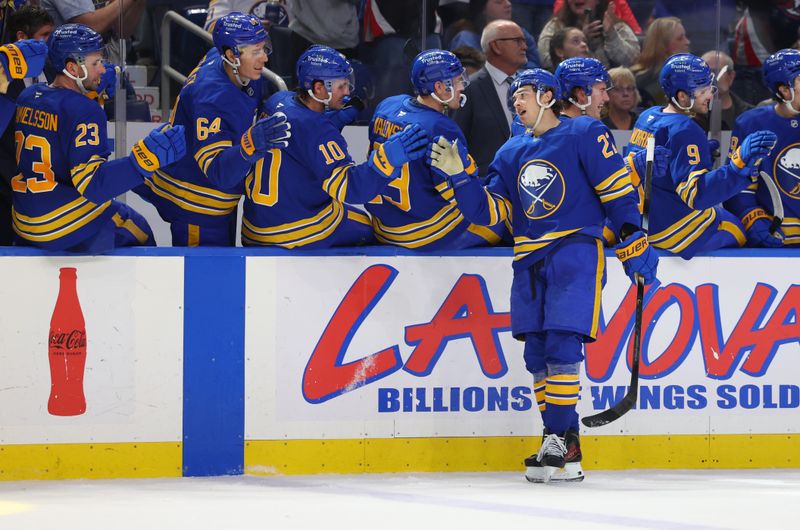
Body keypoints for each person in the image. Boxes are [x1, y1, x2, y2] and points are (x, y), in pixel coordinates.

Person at [428, 68, 658, 483]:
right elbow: (491, 214)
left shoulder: (585, 132)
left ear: (549, 96)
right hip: (528, 257)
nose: (517, 101)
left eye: (526, 94)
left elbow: (617, 193)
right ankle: (565, 445)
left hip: (575, 250)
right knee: (535, 351)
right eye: (514, 96)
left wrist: (633, 244)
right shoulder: (509, 152)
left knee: (562, 340)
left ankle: (554, 435)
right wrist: (460, 179)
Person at [12, 24, 185, 252]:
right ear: (73, 68)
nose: (103, 70)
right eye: (96, 63)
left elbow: (61, 115)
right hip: (57, 223)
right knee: (138, 229)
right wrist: (143, 160)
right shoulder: (85, 110)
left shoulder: (27, 96)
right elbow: (93, 185)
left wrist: (91, 91)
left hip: (23, 217)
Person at [240, 45, 428, 248]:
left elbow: (302, 140)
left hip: (253, 225)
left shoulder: (278, 100)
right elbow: (351, 189)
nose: (347, 92)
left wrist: (334, 120)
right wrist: (387, 160)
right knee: (370, 228)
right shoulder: (318, 129)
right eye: (341, 86)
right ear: (319, 88)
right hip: (293, 231)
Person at [134, 12, 291, 246]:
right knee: (202, 278)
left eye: (264, 47)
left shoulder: (225, 60)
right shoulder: (211, 98)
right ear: (232, 55)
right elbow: (218, 171)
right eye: (256, 51)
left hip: (215, 199)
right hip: (195, 202)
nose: (264, 58)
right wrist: (250, 145)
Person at [625, 53, 778, 258]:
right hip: (673, 229)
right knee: (737, 230)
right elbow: (697, 196)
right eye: (704, 90)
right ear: (682, 96)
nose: (710, 95)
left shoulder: (648, 115)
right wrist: (737, 165)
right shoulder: (686, 129)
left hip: (644, 221)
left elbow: (654, 168)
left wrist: (695, 154)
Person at [366, 49, 507, 249]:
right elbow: (459, 196)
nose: (462, 87)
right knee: (501, 220)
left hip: (383, 227)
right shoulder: (441, 127)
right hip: (426, 232)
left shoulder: (387, 106)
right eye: (458, 81)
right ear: (440, 86)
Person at [725, 49, 800, 247]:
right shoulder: (752, 124)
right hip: (778, 236)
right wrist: (753, 219)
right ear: (785, 90)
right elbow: (737, 184)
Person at [453, 20, 528, 176]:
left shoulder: (532, 85)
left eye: (524, 41)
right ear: (496, 46)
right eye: (517, 41)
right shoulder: (468, 90)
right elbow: (456, 143)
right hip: (486, 184)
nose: (524, 46)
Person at [537, 0, 639, 70]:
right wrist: (580, 39)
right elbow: (547, 61)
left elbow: (632, 59)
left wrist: (611, 35)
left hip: (612, 88)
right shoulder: (556, 25)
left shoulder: (615, 25)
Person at [447, 0, 541, 69]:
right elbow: (471, 70)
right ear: (483, 9)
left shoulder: (521, 33)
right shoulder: (466, 37)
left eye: (508, 0)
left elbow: (535, 66)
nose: (508, 4)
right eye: (499, 2)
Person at [630, 17, 690, 108]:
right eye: (680, 38)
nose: (687, 42)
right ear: (663, 46)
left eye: (685, 37)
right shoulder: (643, 84)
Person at [694, 51, 753, 132]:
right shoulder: (690, 116)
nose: (709, 78)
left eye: (715, 71)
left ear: (731, 77)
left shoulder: (750, 115)